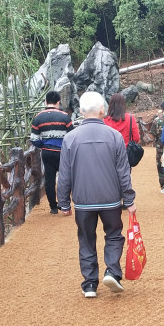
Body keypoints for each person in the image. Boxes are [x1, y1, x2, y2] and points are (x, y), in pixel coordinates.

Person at [57, 91, 137, 298]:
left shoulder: (70, 138)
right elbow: (123, 172)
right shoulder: (115, 136)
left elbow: (64, 174)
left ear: (81, 111)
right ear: (103, 110)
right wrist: (128, 199)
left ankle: (90, 284)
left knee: (86, 238)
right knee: (113, 235)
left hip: (83, 201)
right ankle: (112, 271)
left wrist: (64, 203)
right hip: (111, 199)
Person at [29, 90, 73, 214]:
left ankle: (53, 207)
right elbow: (71, 136)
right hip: (62, 152)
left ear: (45, 101)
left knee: (49, 179)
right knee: (64, 178)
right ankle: (64, 203)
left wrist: (43, 145)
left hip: (47, 152)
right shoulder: (65, 117)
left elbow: (34, 139)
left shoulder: (38, 117)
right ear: (58, 102)